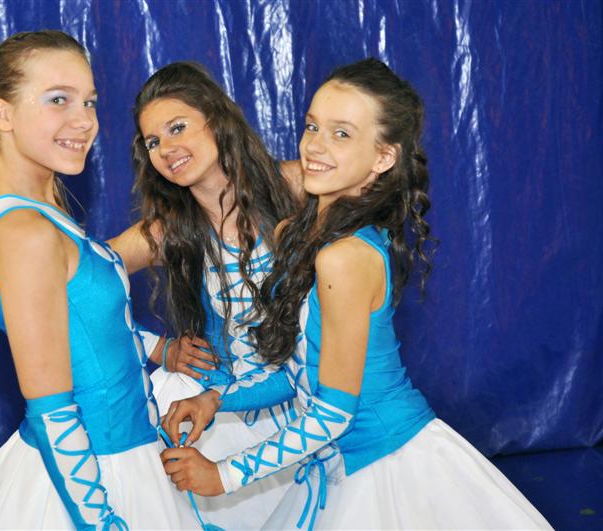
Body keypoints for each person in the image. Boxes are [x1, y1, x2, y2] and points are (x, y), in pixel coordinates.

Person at [159, 58, 552, 530]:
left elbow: (331, 413)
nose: (315, 146)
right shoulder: (298, 235)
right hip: (342, 466)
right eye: (312, 126)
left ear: (383, 158)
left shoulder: (345, 256)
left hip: (391, 469)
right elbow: (302, 375)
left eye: (341, 134)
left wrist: (224, 475)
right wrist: (215, 399)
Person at [0, 30, 197, 530]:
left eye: (89, 101)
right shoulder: (26, 233)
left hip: (124, 458)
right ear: (3, 114)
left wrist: (159, 349)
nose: (84, 120)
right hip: (92, 477)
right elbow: (53, 413)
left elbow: (80, 312)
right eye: (58, 99)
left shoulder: (42, 216)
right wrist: (102, 523)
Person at [108, 62, 303, 528]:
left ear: (216, 119)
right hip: (205, 415)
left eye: (177, 127)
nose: (166, 149)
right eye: (153, 142)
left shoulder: (296, 188)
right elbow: (71, 290)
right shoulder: (166, 231)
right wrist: (157, 348)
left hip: (306, 414)